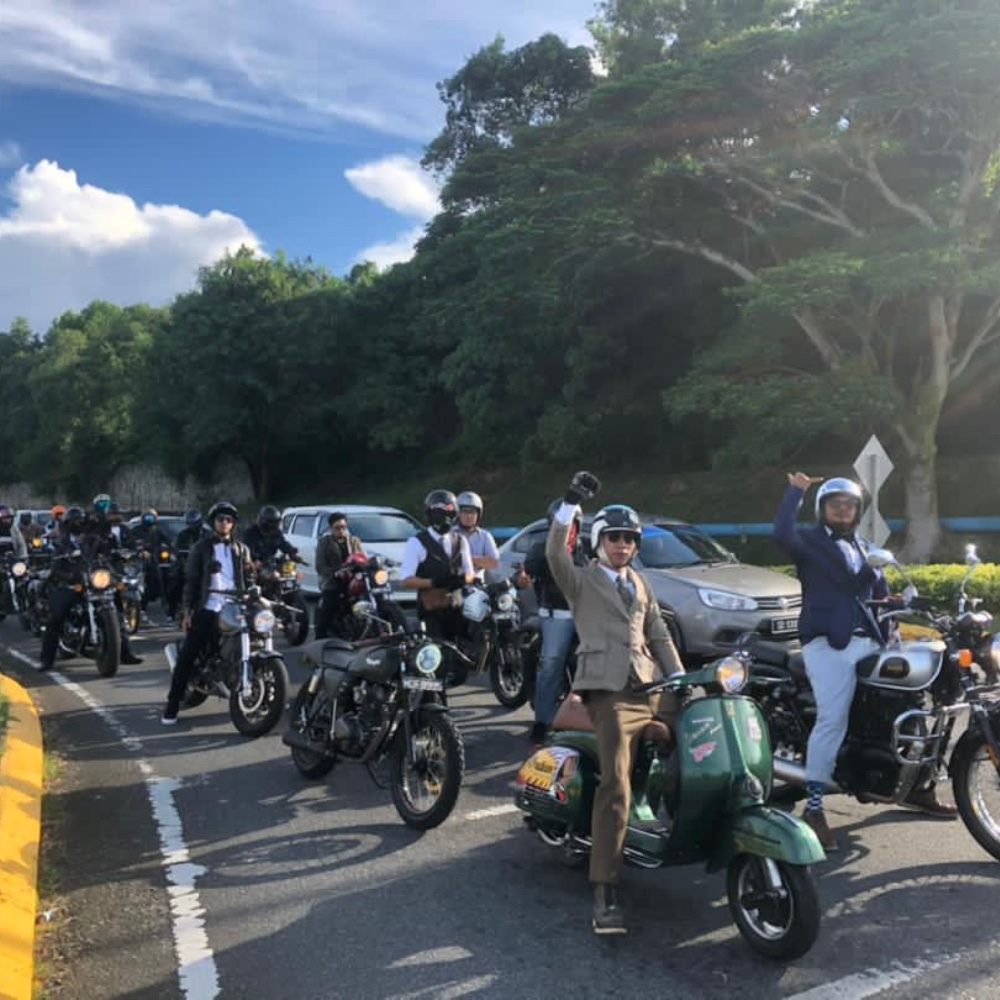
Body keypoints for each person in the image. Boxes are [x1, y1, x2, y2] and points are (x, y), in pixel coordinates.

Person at [773, 472, 957, 851]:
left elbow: (880, 594)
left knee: (909, 703)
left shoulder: (867, 547)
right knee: (833, 718)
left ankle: (918, 787)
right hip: (829, 642)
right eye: (835, 504)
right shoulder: (808, 542)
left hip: (871, 641)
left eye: (850, 505)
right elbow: (781, 533)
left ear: (858, 511)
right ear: (823, 509)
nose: (843, 509)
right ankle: (814, 807)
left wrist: (900, 607)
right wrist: (796, 491)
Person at [546, 471, 684, 936]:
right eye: (614, 538)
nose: (623, 545)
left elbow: (658, 634)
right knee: (616, 783)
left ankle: (682, 822)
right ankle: (604, 887)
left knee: (707, 733)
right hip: (608, 691)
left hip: (650, 686)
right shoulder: (581, 580)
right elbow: (554, 553)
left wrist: (681, 678)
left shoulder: (640, 583)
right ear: (599, 541)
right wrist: (570, 503)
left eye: (630, 539)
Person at [161, 501, 253, 725]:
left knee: (259, 635)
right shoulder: (200, 548)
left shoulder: (242, 549)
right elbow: (191, 582)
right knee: (189, 653)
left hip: (236, 606)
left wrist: (258, 589)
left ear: (234, 524)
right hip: (210, 605)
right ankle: (172, 704)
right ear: (213, 522)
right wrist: (187, 612)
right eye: (221, 519)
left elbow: (249, 579)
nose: (225, 523)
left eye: (229, 520)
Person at [523, 499, 588, 745]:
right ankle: (542, 721)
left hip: (584, 614)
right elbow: (530, 568)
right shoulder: (542, 549)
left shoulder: (586, 549)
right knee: (552, 662)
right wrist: (554, 552)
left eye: (573, 524)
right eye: (563, 524)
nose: (568, 529)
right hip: (556, 614)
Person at [399, 490, 474, 649]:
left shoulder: (461, 541)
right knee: (437, 652)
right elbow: (406, 580)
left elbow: (470, 573)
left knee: (462, 652)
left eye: (450, 513)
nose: (445, 518)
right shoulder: (417, 542)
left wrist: (461, 579)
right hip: (431, 610)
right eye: (440, 513)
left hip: (457, 608)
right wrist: (434, 582)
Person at [314, 512, 366, 639]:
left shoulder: (354, 541)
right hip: (334, 580)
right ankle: (319, 637)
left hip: (355, 579)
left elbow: (363, 558)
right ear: (331, 528)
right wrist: (335, 573)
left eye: (343, 527)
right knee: (329, 606)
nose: (341, 530)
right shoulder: (324, 543)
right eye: (337, 528)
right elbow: (320, 566)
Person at [452, 491, 499, 582]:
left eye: (472, 512)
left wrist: (466, 560)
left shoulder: (485, 536)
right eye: (465, 512)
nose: (469, 516)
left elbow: (494, 563)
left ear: (478, 515)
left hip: (478, 585)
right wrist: (480, 561)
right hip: (454, 583)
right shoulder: (449, 534)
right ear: (458, 513)